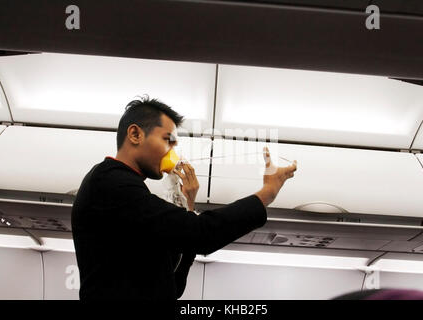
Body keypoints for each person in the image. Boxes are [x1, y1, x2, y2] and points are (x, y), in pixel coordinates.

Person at [71, 96, 297, 300]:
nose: (173, 153)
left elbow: (172, 286)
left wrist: (188, 206)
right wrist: (266, 194)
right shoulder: (111, 184)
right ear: (135, 134)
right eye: (167, 140)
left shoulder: (125, 188)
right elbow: (201, 234)